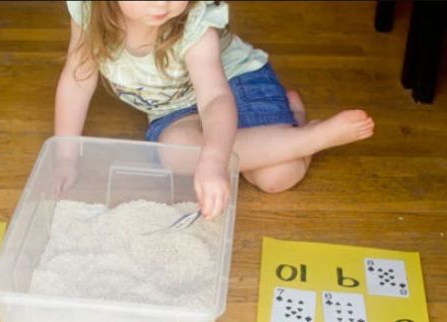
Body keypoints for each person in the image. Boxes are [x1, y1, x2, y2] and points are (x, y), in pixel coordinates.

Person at [53, 1, 374, 219]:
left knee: (278, 177)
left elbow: (214, 99)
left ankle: (310, 136)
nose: (163, 4)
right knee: (174, 151)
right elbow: (77, 79)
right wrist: (66, 154)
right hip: (176, 108)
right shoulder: (88, 10)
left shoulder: (194, 20)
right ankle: (293, 132)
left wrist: (214, 160)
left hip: (234, 82)